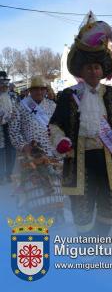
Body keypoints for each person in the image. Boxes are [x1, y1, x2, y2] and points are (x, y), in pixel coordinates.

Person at [49, 12, 112, 237]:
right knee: (82, 205)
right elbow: (55, 124)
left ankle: (101, 240)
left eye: (97, 67)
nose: (93, 71)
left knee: (109, 203)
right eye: (88, 67)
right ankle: (86, 245)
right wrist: (61, 141)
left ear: (103, 70)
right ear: (81, 70)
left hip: (107, 158)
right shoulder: (68, 95)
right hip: (79, 161)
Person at [9, 76, 64, 221]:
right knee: (34, 189)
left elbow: (60, 128)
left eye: (41, 89)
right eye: (35, 89)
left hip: (52, 153)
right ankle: (36, 221)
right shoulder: (20, 107)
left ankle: (57, 217)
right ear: (29, 91)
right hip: (31, 155)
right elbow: (14, 131)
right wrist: (24, 146)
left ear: (45, 90)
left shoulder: (53, 106)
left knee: (56, 186)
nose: (39, 92)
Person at [0, 71, 17, 184]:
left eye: (6, 83)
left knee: (11, 151)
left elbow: (17, 110)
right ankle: (1, 175)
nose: (5, 85)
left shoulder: (13, 96)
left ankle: (9, 173)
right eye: (2, 83)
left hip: (11, 128)